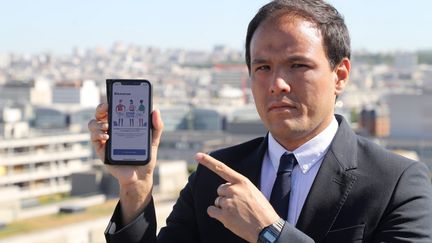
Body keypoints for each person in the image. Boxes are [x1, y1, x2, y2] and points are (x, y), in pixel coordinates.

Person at [88, 0, 432, 242]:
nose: (276, 84)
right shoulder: (214, 173)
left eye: (297, 65)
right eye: (262, 68)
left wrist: (270, 231)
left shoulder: (396, 183)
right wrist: (136, 188)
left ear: (340, 75)